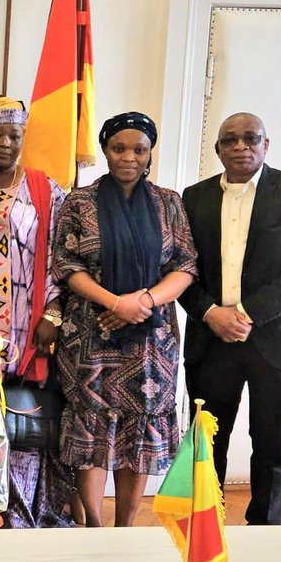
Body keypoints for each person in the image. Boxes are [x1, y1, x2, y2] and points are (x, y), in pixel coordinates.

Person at [179, 112, 281, 525]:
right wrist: (211, 313)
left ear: (267, 145)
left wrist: (244, 314)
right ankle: (206, 530)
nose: (241, 146)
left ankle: (267, 533)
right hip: (212, 343)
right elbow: (178, 268)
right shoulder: (193, 198)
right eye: (231, 140)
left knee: (273, 446)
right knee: (207, 445)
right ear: (219, 150)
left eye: (251, 138)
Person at [52, 112, 198, 527]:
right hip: (91, 335)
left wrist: (144, 301)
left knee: (140, 424)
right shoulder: (78, 202)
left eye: (139, 149)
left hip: (153, 342)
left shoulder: (169, 202)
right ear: (105, 150)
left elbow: (186, 265)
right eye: (119, 148)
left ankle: (126, 525)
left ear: (151, 152)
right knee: (92, 425)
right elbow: (65, 264)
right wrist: (116, 303)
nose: (129, 157)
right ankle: (95, 525)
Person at [0, 98, 74, 529]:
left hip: (30, 324)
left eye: (15, 136)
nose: (6, 144)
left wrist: (54, 311)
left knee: (25, 417)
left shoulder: (46, 189)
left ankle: (26, 512)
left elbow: (61, 255)